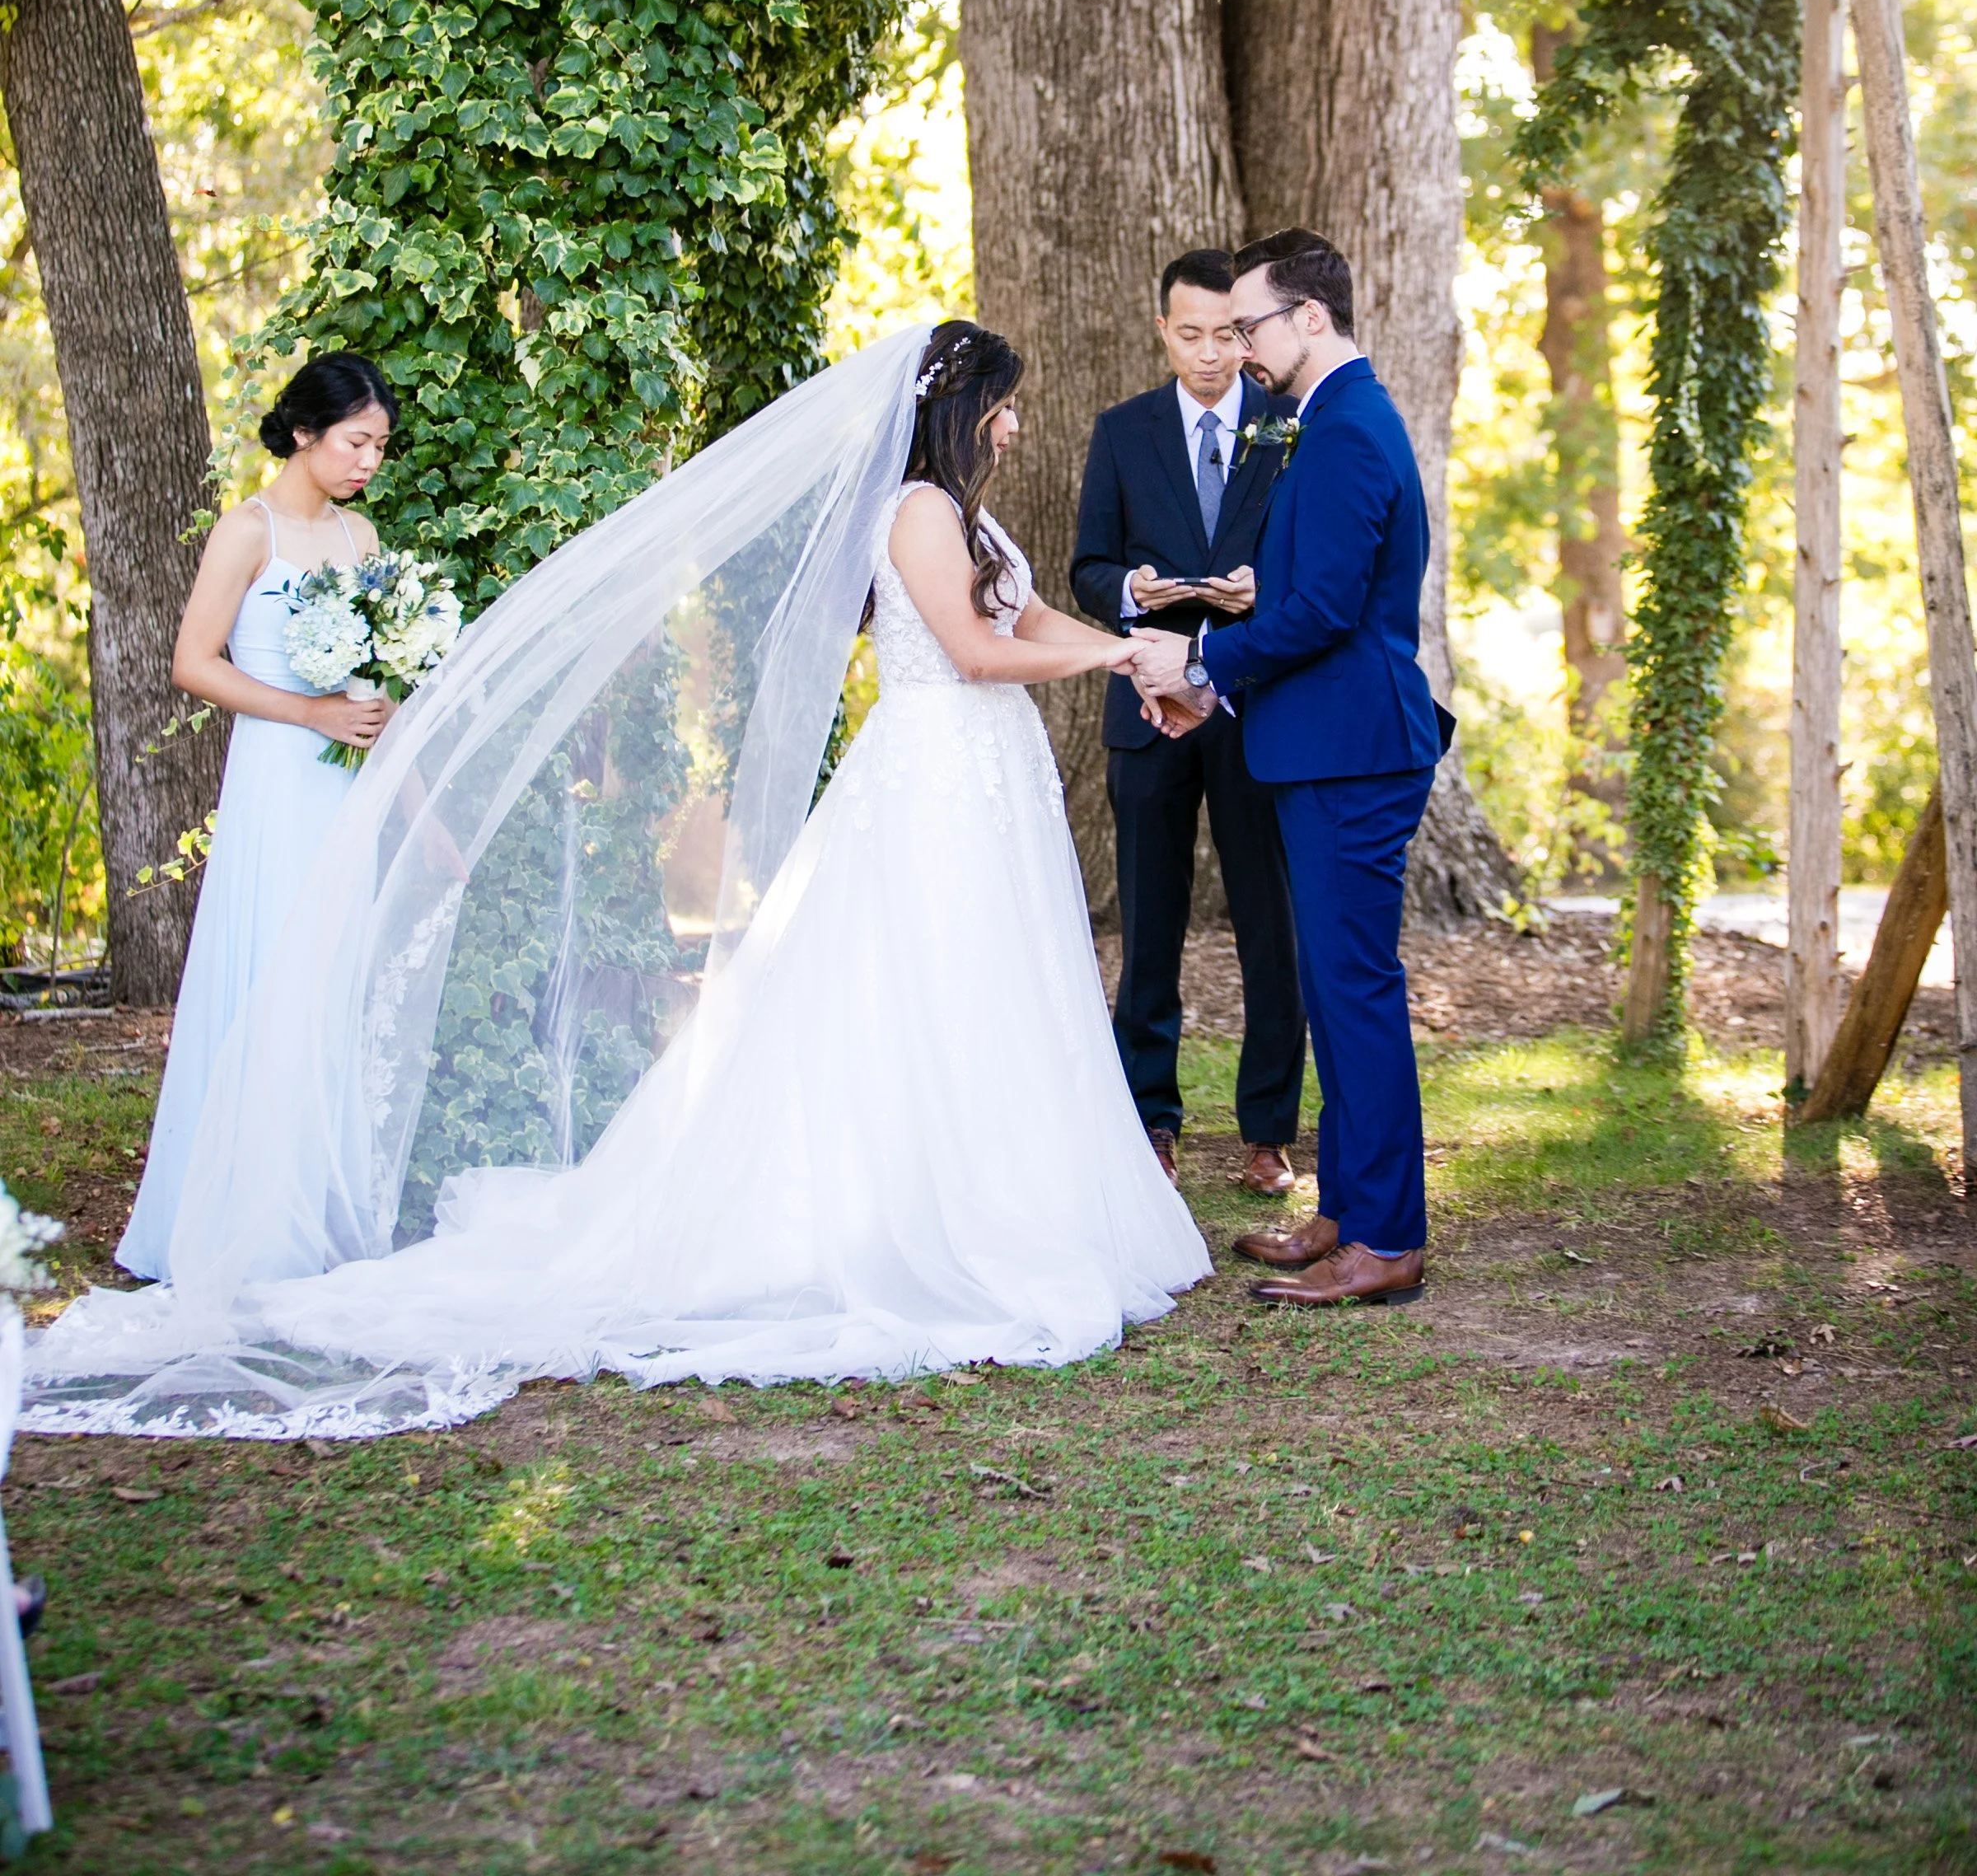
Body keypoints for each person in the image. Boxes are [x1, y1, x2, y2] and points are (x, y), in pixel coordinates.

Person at [33, 321, 1208, 1437]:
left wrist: (1136, 657)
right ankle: (917, 1211)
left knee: (998, 989)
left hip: (986, 782)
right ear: (958, 410)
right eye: (1001, 408)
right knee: (914, 991)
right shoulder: (914, 514)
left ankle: (1015, 1191)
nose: (1013, 427)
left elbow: (1028, 611)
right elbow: (971, 651)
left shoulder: (968, 518)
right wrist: (1119, 656)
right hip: (934, 781)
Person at [1129, 232, 1453, 1309]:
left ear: (1310, 317)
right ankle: (1350, 1213)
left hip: (1356, 753)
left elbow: (1319, 611)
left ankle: (1390, 1239)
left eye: (1252, 325)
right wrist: (1207, 693)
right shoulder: (1327, 424)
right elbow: (1296, 590)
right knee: (1332, 985)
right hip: (1322, 743)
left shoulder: (1354, 428)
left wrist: (1202, 661)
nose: (1239, 346)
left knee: (1356, 993)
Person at [115, 354, 398, 1282]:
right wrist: (310, 712)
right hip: (280, 775)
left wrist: (376, 726)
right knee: (270, 967)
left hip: (344, 779)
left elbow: (376, 668)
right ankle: (235, 1216)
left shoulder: (361, 538)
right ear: (307, 431)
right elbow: (194, 663)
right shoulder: (250, 531)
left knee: (328, 980)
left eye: (380, 447)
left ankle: (310, 1203)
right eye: (357, 441)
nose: (368, 462)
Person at [1071, 249, 1304, 1194]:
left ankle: (1269, 1131)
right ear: (1163, 329)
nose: (1211, 354)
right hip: (1150, 709)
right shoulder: (1122, 432)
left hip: (1257, 707)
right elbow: (1088, 565)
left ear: (1247, 335)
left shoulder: (1290, 426)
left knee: (1268, 922)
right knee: (1150, 921)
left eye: (1228, 334)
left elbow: (1315, 563)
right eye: (1192, 334)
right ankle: (1150, 1122)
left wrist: (1262, 591)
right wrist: (1131, 587)